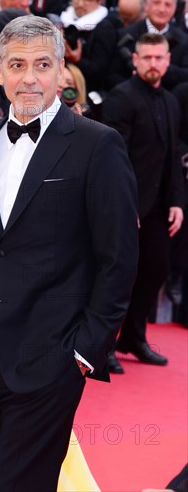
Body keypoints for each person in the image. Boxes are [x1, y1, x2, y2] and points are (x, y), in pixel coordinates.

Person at [0, 15, 139, 491]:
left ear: (61, 71)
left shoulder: (97, 144)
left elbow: (119, 257)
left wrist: (86, 352)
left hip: (52, 352)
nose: (29, 77)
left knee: (21, 483)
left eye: (42, 64)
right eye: (17, 64)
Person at [103, 33, 185, 374]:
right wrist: (125, 206)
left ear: (168, 60)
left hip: (158, 205)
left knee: (156, 269)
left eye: (159, 58)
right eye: (147, 57)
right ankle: (103, 345)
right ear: (135, 60)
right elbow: (113, 159)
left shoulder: (170, 100)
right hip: (127, 204)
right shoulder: (121, 98)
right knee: (118, 278)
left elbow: (172, 156)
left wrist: (178, 201)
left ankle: (133, 338)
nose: (153, 64)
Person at [108, 0, 188, 91]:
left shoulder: (183, 40)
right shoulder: (126, 35)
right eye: (157, 3)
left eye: (168, 5)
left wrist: (159, 69)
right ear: (146, 5)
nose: (162, 9)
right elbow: (111, 75)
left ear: (174, 9)